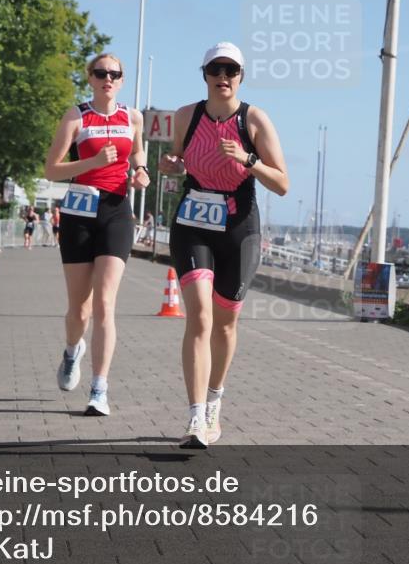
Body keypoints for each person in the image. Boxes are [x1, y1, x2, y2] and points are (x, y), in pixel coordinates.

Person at [159, 42, 288, 448]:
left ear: (241, 77)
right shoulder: (186, 116)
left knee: (226, 322)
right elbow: (177, 160)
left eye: (231, 71)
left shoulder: (254, 120)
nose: (223, 77)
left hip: (239, 225)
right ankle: (196, 417)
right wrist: (171, 165)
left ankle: (215, 400)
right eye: (216, 70)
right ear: (204, 75)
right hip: (194, 221)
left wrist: (248, 160)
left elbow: (282, 184)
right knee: (199, 316)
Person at [44, 53, 149, 416]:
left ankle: (99, 388)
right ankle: (72, 351)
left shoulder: (132, 117)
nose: (108, 78)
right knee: (80, 309)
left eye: (115, 74)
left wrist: (141, 171)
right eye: (101, 73)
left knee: (105, 303)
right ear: (90, 77)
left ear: (121, 80)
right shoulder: (76, 116)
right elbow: (52, 170)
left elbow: (137, 152)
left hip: (116, 212)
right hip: (78, 213)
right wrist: (91, 162)